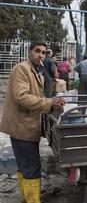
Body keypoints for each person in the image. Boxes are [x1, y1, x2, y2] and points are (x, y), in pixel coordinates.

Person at [0, 42, 65, 203]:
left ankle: (26, 198)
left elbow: (36, 97)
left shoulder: (37, 72)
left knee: (25, 166)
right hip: (23, 127)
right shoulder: (22, 69)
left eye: (43, 52)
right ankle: (32, 200)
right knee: (32, 168)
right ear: (30, 52)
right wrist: (49, 103)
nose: (40, 55)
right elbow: (22, 97)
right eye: (37, 51)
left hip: (26, 126)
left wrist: (50, 106)